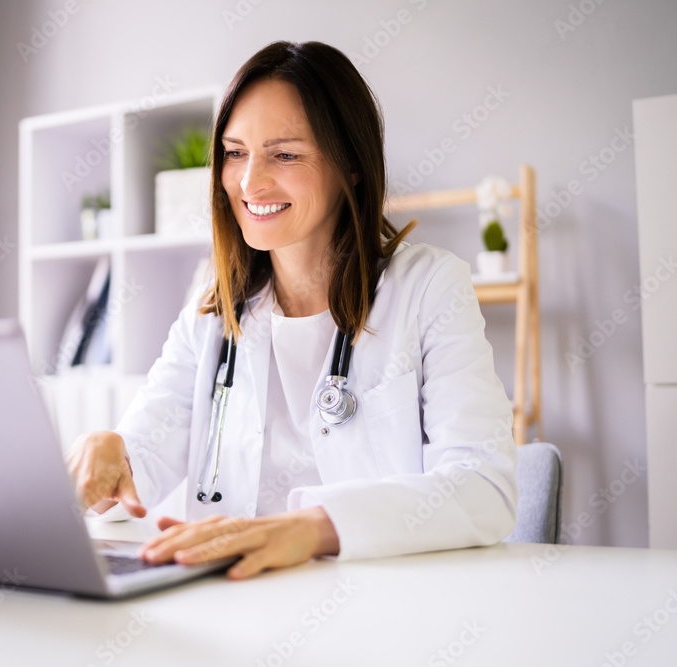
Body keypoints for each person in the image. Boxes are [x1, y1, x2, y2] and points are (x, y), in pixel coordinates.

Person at [66, 40, 517, 580]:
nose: (250, 182)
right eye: (235, 152)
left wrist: (311, 528)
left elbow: (484, 488)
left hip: (385, 611)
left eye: (284, 154)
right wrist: (109, 452)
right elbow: (141, 458)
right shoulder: (213, 307)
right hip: (236, 606)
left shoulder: (428, 288)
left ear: (350, 163)